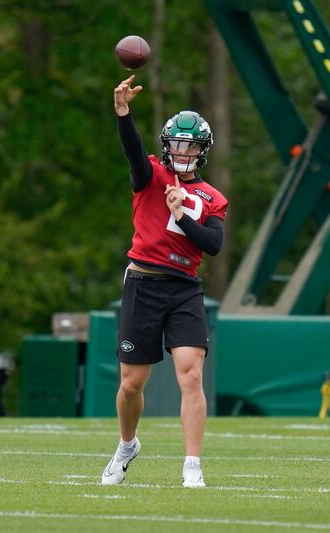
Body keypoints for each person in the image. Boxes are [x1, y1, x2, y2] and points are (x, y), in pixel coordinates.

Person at [101, 75, 228, 489]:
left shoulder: (211, 197)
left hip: (183, 289)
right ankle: (126, 445)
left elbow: (212, 244)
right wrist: (123, 113)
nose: (182, 151)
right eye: (176, 143)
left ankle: (192, 464)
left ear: (201, 151)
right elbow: (133, 151)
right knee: (131, 384)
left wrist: (183, 215)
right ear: (167, 145)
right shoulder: (151, 175)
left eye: (190, 145)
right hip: (143, 283)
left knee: (190, 375)